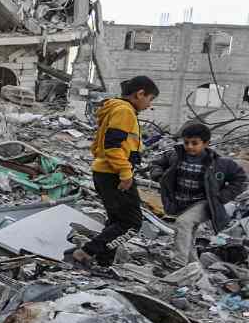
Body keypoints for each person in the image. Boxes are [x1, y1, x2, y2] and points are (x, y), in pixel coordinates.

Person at [72, 76, 158, 267]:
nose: (149, 104)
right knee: (132, 224)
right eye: (150, 99)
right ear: (140, 93)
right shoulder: (124, 111)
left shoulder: (115, 109)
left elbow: (98, 145)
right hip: (114, 174)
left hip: (105, 172)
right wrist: (125, 173)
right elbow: (112, 145)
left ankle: (104, 263)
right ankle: (86, 252)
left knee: (116, 221)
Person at [149, 121, 247, 264]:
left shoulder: (220, 163)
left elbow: (240, 179)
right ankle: (193, 267)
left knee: (183, 223)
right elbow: (156, 163)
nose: (189, 147)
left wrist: (223, 196)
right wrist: (158, 175)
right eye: (186, 142)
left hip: (203, 203)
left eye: (194, 143)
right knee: (187, 234)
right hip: (181, 202)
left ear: (206, 143)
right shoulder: (175, 156)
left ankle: (177, 263)